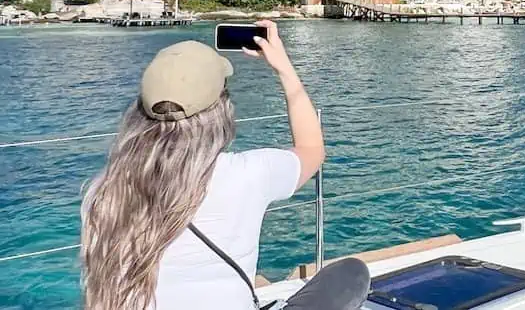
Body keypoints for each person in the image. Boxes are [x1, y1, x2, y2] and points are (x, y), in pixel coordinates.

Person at [80, 21, 370, 310]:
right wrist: (284, 68)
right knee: (351, 273)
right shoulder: (247, 175)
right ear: (221, 110)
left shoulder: (104, 192)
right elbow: (312, 150)